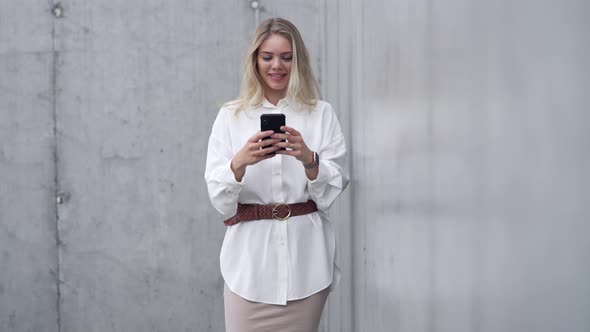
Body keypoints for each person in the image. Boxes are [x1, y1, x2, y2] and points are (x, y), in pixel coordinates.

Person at [204, 17, 349, 332]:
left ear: (298, 61)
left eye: (286, 57)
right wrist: (239, 163)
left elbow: (330, 192)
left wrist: (309, 159)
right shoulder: (231, 116)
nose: (277, 66)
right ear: (255, 60)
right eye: (267, 57)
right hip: (249, 268)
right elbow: (220, 201)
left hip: (306, 264)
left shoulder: (320, 113)